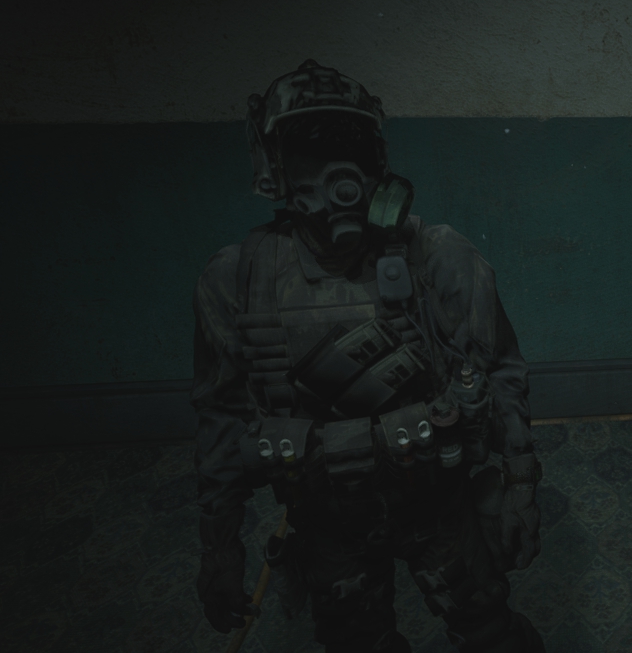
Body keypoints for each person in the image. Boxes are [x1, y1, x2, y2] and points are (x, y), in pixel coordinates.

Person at [191, 59, 545, 653]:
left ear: (377, 159)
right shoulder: (238, 279)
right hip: (328, 521)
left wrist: (520, 489)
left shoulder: (438, 255)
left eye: (351, 146)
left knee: (489, 631)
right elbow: (221, 417)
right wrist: (219, 548)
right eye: (311, 149)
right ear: (274, 165)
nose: (340, 174)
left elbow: (499, 372)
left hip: (438, 505)